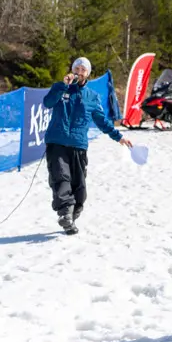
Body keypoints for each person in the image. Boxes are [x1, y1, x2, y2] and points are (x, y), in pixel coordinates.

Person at [42, 57, 133, 235]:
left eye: (83, 69)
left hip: (78, 145)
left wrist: (119, 137)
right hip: (57, 142)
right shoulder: (60, 88)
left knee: (79, 187)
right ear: (72, 70)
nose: (79, 71)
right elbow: (47, 103)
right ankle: (65, 214)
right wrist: (63, 85)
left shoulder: (92, 96)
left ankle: (71, 216)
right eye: (77, 68)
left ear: (88, 74)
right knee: (61, 178)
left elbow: (102, 121)